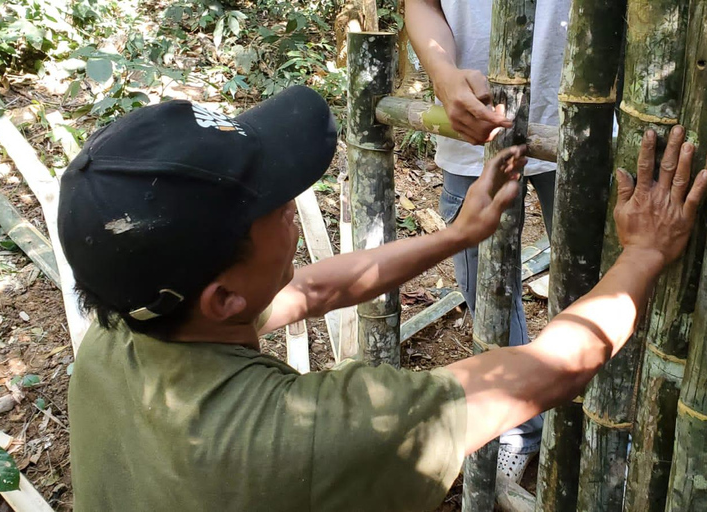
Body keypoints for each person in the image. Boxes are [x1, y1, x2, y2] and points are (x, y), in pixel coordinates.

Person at [59, 86, 705, 512]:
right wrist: (646, 252)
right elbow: (555, 368)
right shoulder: (310, 438)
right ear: (223, 298)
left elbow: (315, 288)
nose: (294, 209)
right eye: (279, 207)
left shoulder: (122, 334)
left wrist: (459, 234)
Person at [405, 0, 571, 478]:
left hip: (586, 115)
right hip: (473, 127)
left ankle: (592, 421)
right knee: (486, 292)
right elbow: (420, 4)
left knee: (592, 281)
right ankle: (521, 426)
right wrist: (442, 73)